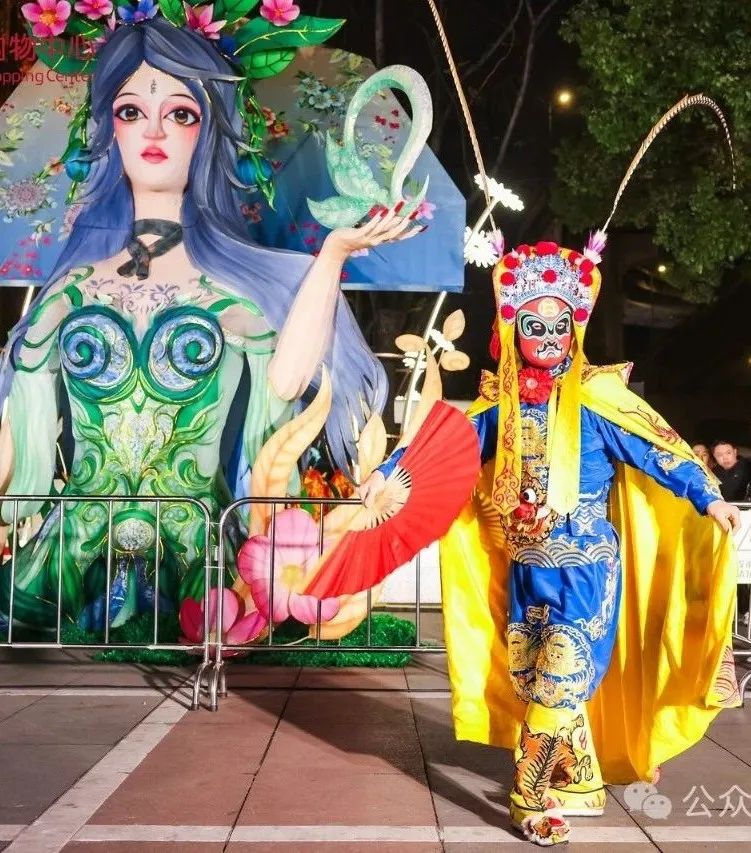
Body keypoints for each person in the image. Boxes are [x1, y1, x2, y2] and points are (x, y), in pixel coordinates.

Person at [0, 16, 421, 631]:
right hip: (72, 557)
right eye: (130, 111)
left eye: (180, 114)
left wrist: (332, 256)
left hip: (197, 552)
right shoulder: (74, 288)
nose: (153, 132)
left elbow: (284, 388)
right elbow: (18, 425)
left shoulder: (228, 293)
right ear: (108, 128)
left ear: (209, 132)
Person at [362, 239, 740, 846]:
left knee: (561, 676)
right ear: (514, 329)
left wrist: (709, 498)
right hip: (525, 566)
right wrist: (388, 474)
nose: (546, 336)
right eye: (532, 325)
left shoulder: (598, 397)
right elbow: (445, 446)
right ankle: (577, 776)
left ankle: (528, 797)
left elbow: (658, 450)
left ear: (574, 329)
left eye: (557, 325)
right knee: (533, 678)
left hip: (586, 565)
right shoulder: (500, 403)